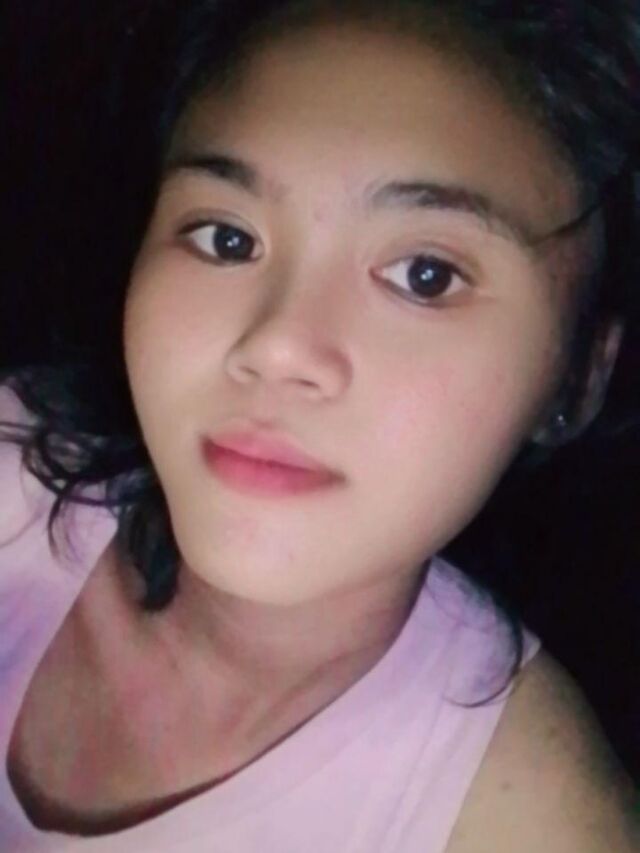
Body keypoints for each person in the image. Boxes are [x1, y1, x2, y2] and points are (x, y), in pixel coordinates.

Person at [0, 1, 638, 849]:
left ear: (578, 376)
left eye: (425, 275)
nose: (278, 347)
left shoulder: (533, 823)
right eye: (227, 239)